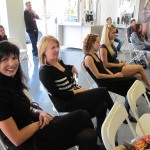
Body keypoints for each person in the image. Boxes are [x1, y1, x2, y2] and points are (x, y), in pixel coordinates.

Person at [0, 41, 100, 150]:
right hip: (27, 143)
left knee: (88, 135)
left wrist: (39, 112)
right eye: (5, 59)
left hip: (35, 129)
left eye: (14, 58)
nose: (12, 63)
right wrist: (40, 122)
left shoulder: (11, 82)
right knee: (83, 115)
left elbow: (24, 106)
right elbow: (16, 139)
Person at [38, 35, 114, 144]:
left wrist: (70, 67)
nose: (57, 50)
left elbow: (64, 70)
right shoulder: (44, 72)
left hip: (74, 94)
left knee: (102, 105)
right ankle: (115, 114)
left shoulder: (58, 61)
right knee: (102, 91)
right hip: (64, 101)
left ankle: (99, 132)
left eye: (57, 46)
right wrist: (77, 91)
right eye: (53, 48)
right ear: (44, 51)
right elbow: (59, 95)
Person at [83, 33, 137, 122]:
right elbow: (98, 75)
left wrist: (113, 74)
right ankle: (126, 111)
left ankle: (126, 111)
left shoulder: (94, 55)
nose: (99, 44)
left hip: (109, 79)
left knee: (132, 81)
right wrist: (114, 76)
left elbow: (104, 68)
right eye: (97, 42)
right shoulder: (88, 58)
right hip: (104, 82)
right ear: (91, 44)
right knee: (133, 80)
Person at [100, 24, 150, 91]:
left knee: (138, 76)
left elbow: (112, 59)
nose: (115, 34)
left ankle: (131, 93)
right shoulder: (103, 47)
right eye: (113, 33)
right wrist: (119, 64)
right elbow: (105, 64)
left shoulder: (111, 44)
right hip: (113, 70)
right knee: (140, 67)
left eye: (115, 32)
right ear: (107, 34)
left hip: (117, 67)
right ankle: (149, 87)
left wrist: (120, 62)